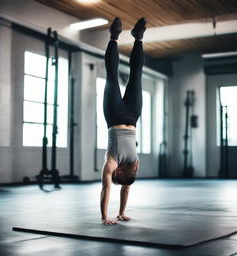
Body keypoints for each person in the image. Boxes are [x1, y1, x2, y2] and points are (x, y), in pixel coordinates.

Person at [100, 17, 146, 225]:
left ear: (118, 171)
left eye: (131, 172)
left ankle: (114, 37)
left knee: (112, 76)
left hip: (114, 114)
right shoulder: (133, 165)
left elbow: (107, 188)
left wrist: (104, 217)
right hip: (133, 116)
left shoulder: (112, 163)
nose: (136, 168)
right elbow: (127, 187)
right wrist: (120, 213)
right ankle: (138, 39)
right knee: (136, 76)